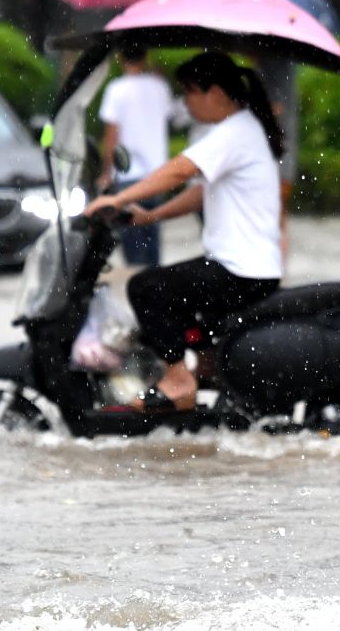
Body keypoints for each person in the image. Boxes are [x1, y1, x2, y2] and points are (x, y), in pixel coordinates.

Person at [83, 52, 285, 413]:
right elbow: (199, 191)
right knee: (181, 292)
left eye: (190, 92)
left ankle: (178, 380)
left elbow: (179, 170)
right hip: (245, 266)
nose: (186, 102)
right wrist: (151, 216)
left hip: (242, 269)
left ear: (216, 93)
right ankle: (208, 370)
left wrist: (119, 196)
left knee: (146, 288)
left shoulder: (235, 132)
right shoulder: (243, 129)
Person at [96, 44, 175, 267]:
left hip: (129, 174)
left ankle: (138, 289)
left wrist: (106, 172)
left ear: (121, 58)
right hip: (158, 175)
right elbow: (168, 119)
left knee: (133, 246)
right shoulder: (160, 87)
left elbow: (111, 135)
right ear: (146, 55)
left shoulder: (116, 90)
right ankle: (156, 290)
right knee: (153, 242)